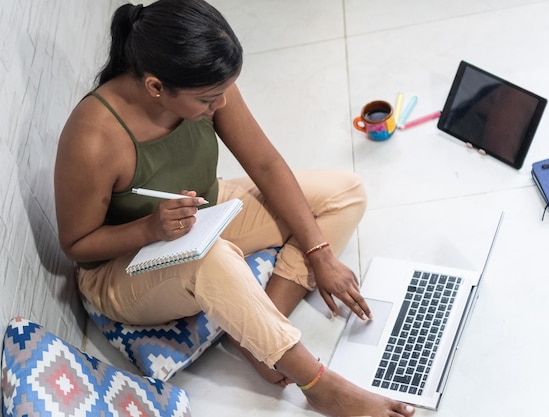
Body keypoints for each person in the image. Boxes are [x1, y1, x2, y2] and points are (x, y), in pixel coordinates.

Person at [54, 1, 415, 416]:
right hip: (124, 268)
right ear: (156, 87)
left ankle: (257, 338)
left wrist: (319, 253)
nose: (220, 105)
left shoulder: (206, 82)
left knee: (345, 193)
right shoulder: (94, 138)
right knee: (213, 259)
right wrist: (151, 229)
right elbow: (78, 245)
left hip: (204, 216)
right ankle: (319, 384)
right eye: (208, 100)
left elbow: (264, 163)